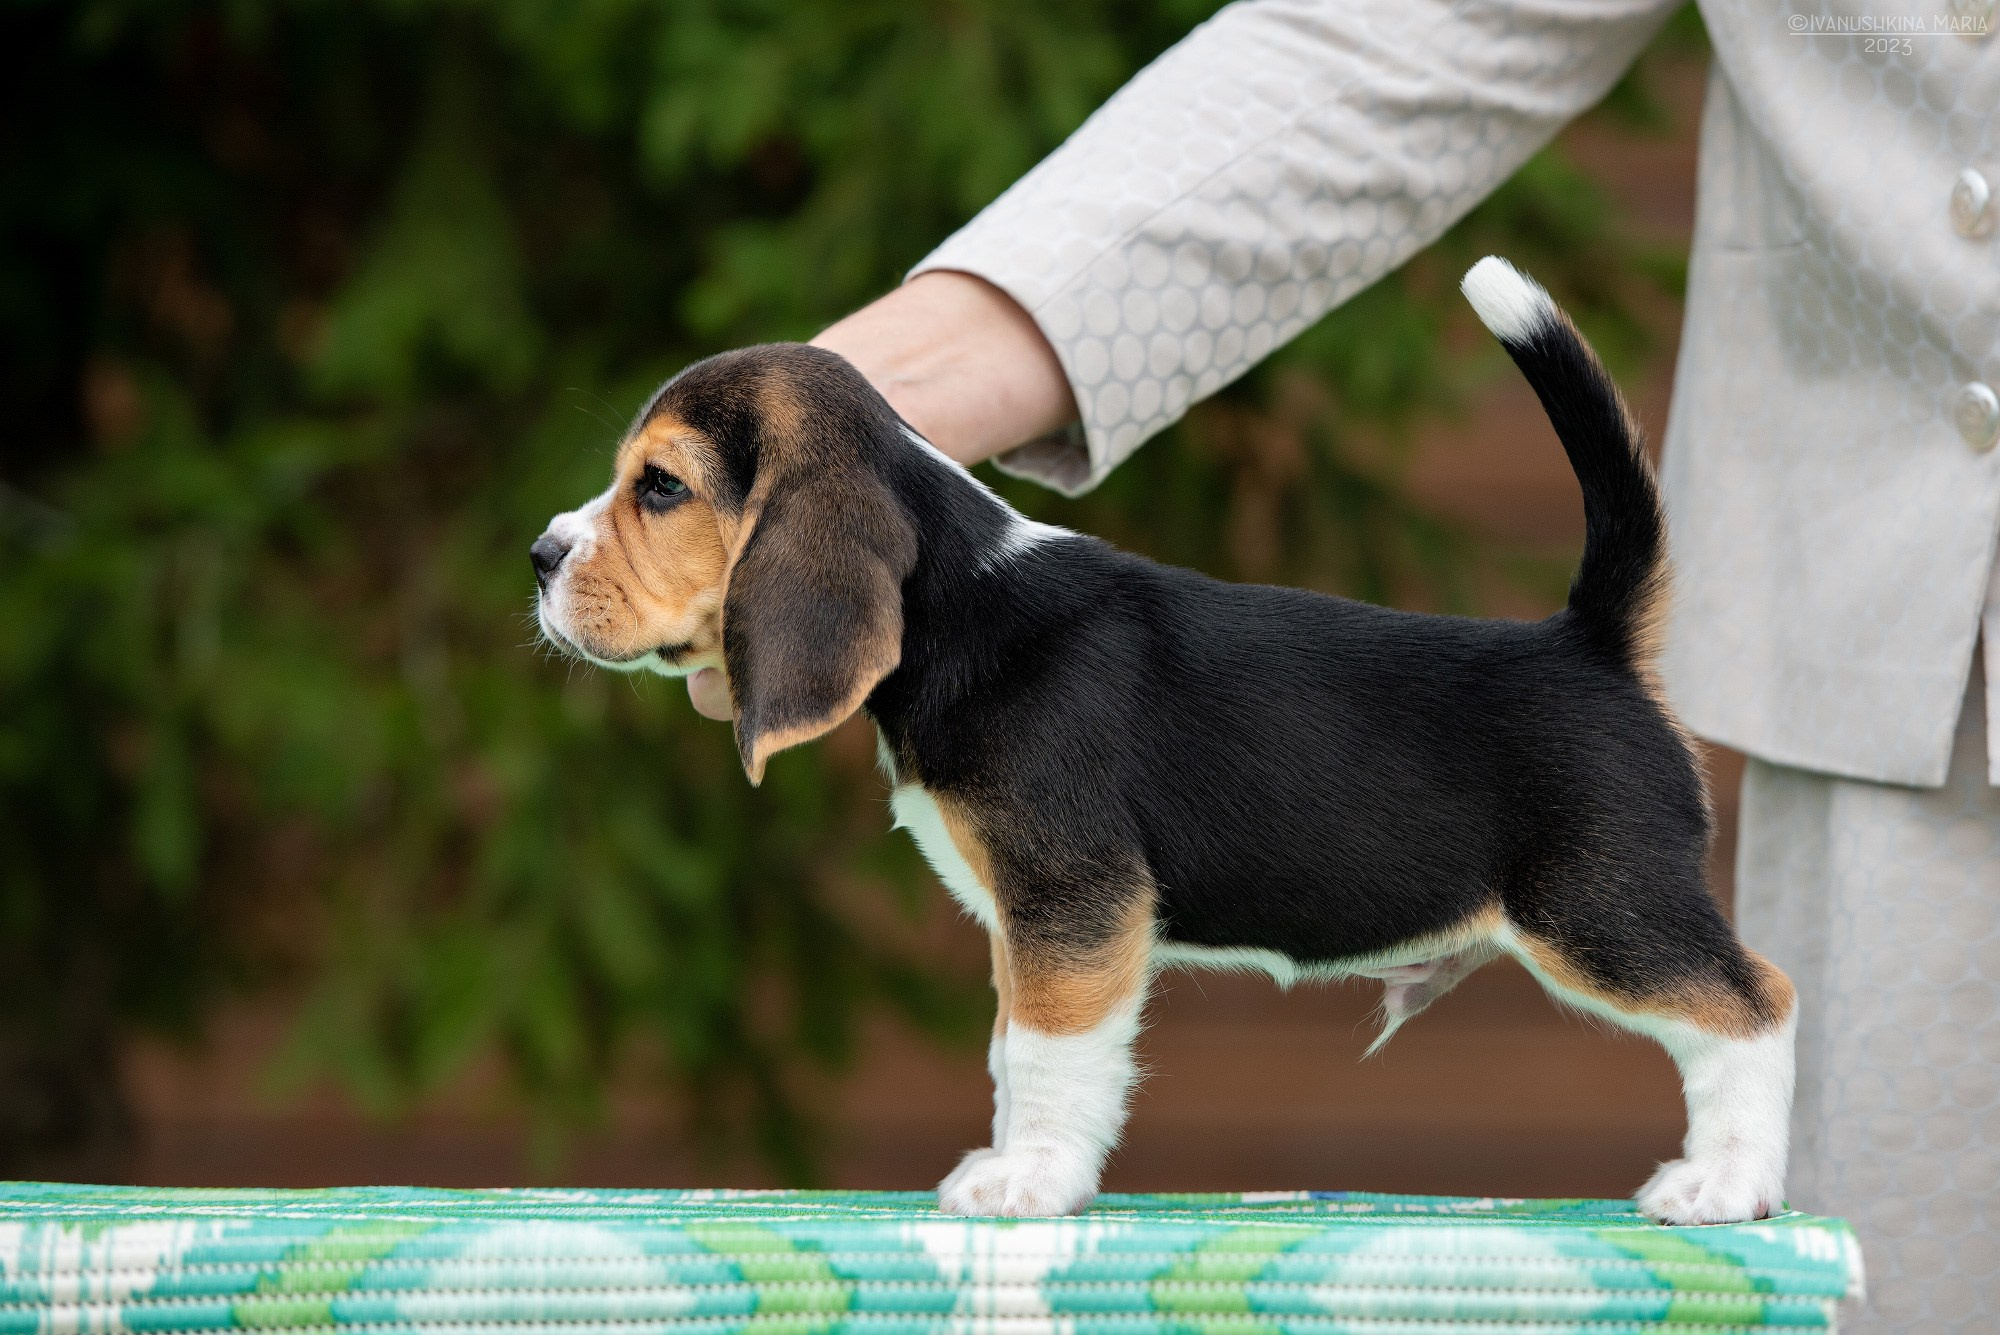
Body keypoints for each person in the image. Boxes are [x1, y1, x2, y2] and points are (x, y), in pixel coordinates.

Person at [685, 2, 2000, 1329]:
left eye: (661, 493)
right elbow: (1408, 28)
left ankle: (1742, 1041)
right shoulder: (998, 642)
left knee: (1617, 936)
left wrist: (1043, 1153)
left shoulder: (1047, 691)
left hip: (1558, 741)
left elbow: (1078, 917)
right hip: (1888, 652)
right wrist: (860, 404)